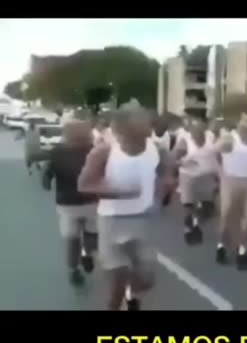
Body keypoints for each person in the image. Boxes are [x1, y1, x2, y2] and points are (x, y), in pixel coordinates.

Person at [78, 107, 176, 311]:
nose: (149, 123)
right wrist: (119, 192)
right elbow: (84, 185)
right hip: (112, 221)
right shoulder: (103, 152)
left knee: (147, 279)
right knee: (117, 283)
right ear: (124, 129)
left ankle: (131, 292)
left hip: (144, 221)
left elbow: (167, 174)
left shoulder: (158, 151)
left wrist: (167, 184)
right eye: (142, 120)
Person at [42, 119, 98, 285]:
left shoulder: (58, 151)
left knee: (72, 239)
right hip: (91, 201)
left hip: (67, 203)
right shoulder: (95, 150)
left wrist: (46, 181)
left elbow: (48, 171)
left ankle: (74, 270)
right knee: (91, 235)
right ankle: (87, 254)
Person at [214, 100, 247, 270]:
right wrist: (220, 171)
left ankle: (242, 251)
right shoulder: (230, 138)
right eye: (245, 119)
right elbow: (214, 152)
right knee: (227, 214)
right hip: (230, 180)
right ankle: (221, 245)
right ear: (238, 120)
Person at [173, 116, 219, 244]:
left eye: (200, 130)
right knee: (189, 205)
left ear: (204, 130)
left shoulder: (211, 138)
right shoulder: (185, 142)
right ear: (191, 131)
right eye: (194, 130)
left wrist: (219, 173)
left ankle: (194, 222)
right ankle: (192, 229)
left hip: (207, 177)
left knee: (209, 209)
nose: (197, 133)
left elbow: (219, 156)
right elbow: (175, 160)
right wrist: (184, 163)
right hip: (189, 177)